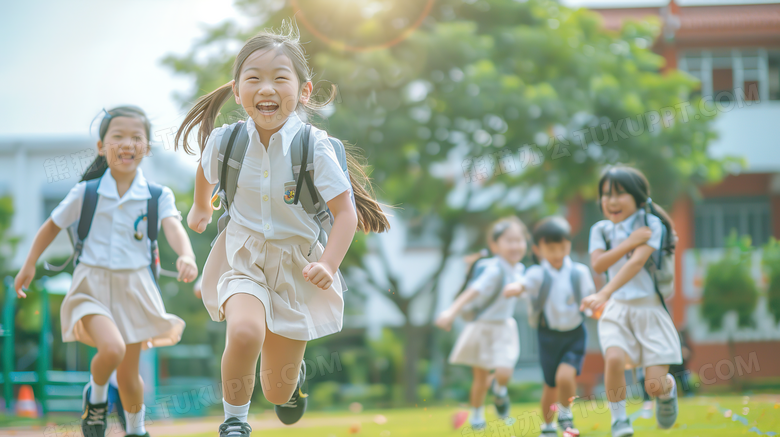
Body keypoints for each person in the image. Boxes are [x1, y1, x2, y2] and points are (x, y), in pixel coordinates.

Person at [176, 22, 389, 437]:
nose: (266, 88)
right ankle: (235, 422)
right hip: (244, 256)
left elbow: (345, 214)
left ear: (304, 91)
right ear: (237, 92)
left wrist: (329, 264)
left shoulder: (314, 147)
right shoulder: (227, 141)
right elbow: (205, 172)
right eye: (253, 79)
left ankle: (293, 386)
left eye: (280, 78)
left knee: (277, 390)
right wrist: (201, 207)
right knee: (244, 330)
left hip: (298, 265)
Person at [14, 106, 198, 437]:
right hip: (91, 285)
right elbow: (51, 226)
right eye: (118, 136)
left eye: (136, 137)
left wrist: (186, 254)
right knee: (110, 349)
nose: (127, 143)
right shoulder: (86, 193)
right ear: (101, 146)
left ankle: (137, 430)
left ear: (147, 147)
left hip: (135, 288)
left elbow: (173, 227)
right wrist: (29, 264)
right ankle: (95, 399)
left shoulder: (157, 195)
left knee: (129, 374)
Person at [580, 166, 682, 437]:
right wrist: (628, 242)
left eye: (619, 194)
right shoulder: (600, 230)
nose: (611, 201)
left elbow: (636, 264)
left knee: (653, 386)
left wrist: (602, 293)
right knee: (613, 358)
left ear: (638, 197)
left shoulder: (652, 225)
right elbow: (599, 263)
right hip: (617, 310)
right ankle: (619, 421)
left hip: (649, 310)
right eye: (605, 195)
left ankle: (667, 390)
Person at [503, 216, 596, 436]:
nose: (556, 253)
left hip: (574, 334)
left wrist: (597, 310)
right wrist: (515, 288)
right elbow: (525, 284)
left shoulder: (579, 273)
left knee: (565, 377)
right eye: (550, 248)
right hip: (547, 336)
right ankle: (547, 426)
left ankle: (566, 413)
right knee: (550, 385)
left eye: (561, 247)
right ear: (538, 249)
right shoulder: (537, 273)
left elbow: (590, 299)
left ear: (569, 245)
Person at [436, 217, 529, 430]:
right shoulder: (494, 270)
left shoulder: (520, 269)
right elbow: (473, 291)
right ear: (495, 245)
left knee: (504, 370)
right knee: (480, 378)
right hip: (482, 328)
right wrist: (451, 311)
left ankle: (499, 392)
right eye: (509, 241)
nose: (515, 245)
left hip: (504, 327)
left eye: (519, 240)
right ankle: (477, 414)